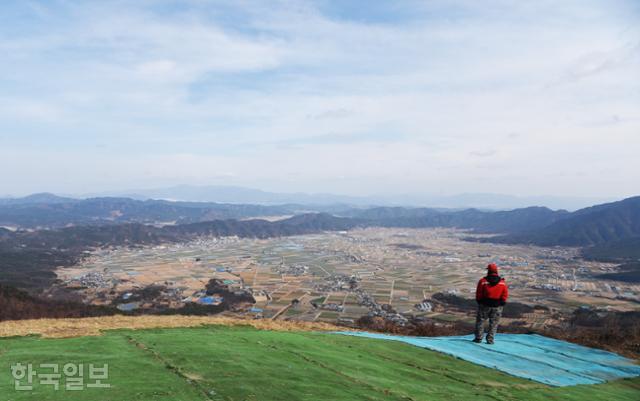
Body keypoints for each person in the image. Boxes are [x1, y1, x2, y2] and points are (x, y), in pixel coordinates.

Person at [473, 263, 508, 344]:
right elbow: (505, 294)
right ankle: (490, 340)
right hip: (497, 306)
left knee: (480, 321)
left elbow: (479, 293)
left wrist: (480, 301)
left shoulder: (483, 281)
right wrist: (501, 303)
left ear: (488, 270)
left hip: (484, 305)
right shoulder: (502, 282)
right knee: (494, 323)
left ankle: (478, 338)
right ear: (496, 271)